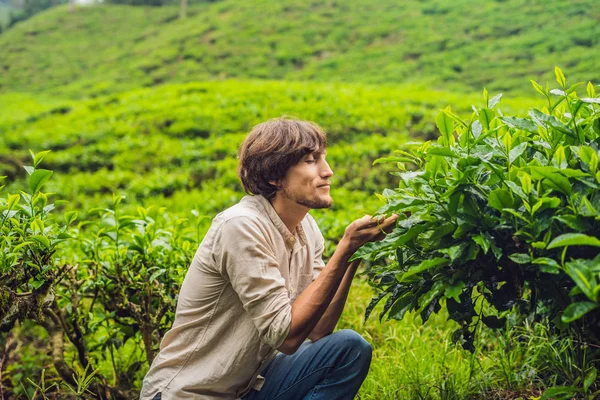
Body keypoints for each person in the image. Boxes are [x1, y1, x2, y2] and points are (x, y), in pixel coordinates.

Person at [140, 117, 398, 400]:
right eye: (311, 161)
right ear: (274, 176)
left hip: (246, 389)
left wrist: (353, 254)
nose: (328, 172)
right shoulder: (241, 226)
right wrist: (344, 248)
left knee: (349, 348)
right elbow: (287, 338)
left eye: (323, 158)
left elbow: (320, 328)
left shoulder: (306, 228)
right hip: (190, 393)